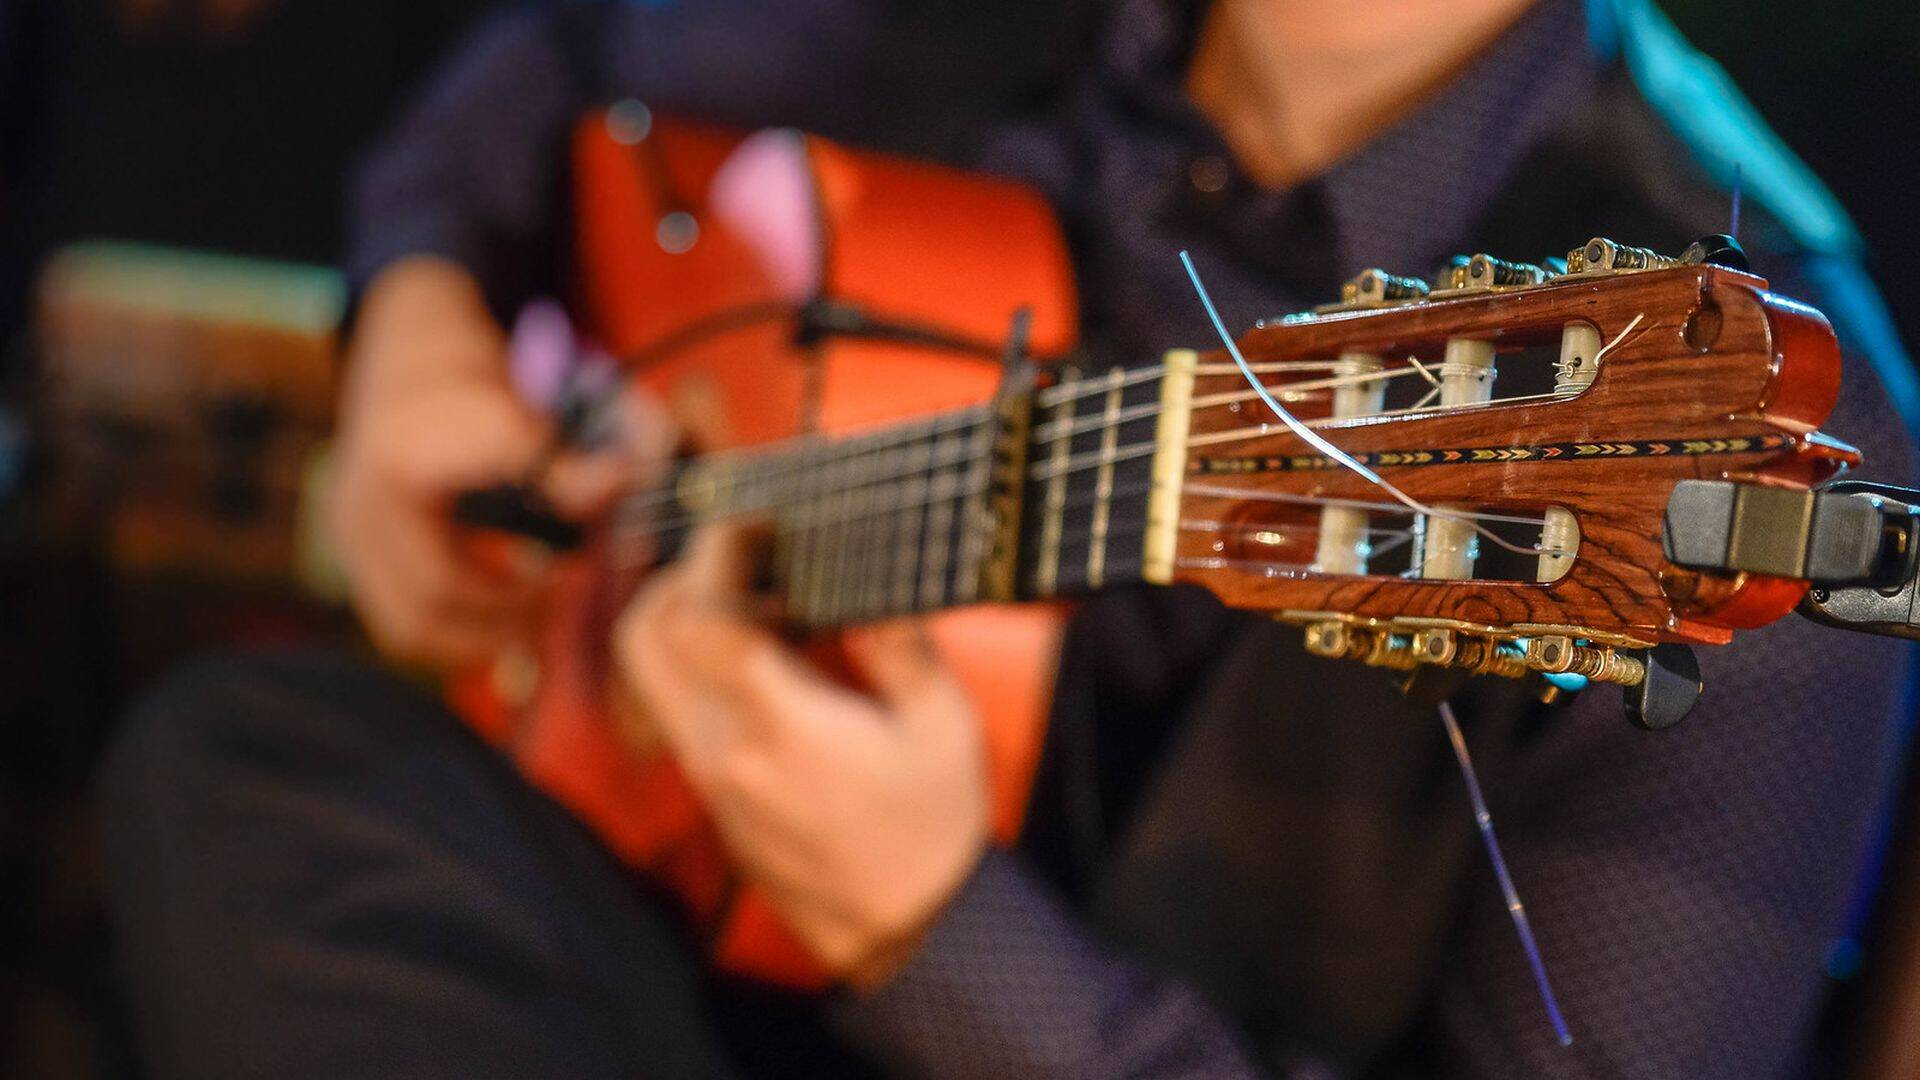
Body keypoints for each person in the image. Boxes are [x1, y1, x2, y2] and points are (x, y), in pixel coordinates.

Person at [100, 0, 1920, 1076]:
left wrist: (931, 930)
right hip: (653, 968)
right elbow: (557, 56)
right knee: (241, 761)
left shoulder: (1759, 411)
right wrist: (418, 328)